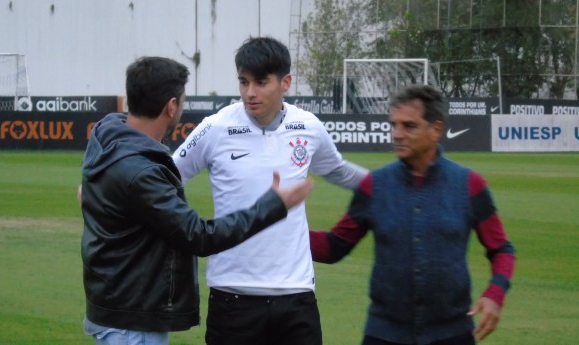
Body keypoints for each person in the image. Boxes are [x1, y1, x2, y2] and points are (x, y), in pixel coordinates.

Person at [79, 56, 314, 345]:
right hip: (130, 321)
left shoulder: (111, 139)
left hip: (121, 312)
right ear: (171, 106)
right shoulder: (139, 171)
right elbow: (198, 236)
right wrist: (273, 205)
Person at [172, 36, 368, 345]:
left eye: (261, 83)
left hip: (296, 296)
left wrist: (387, 183)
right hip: (232, 297)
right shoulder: (215, 127)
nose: (250, 93)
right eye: (244, 82)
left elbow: (337, 170)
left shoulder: (308, 126)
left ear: (285, 82)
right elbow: (166, 177)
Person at [310, 84, 516, 345]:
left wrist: (495, 293)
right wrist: (283, 232)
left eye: (409, 126)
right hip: (384, 334)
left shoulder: (469, 185)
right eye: (393, 125)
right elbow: (333, 247)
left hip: (452, 333)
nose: (397, 134)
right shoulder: (374, 186)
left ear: (436, 129)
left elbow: (502, 249)